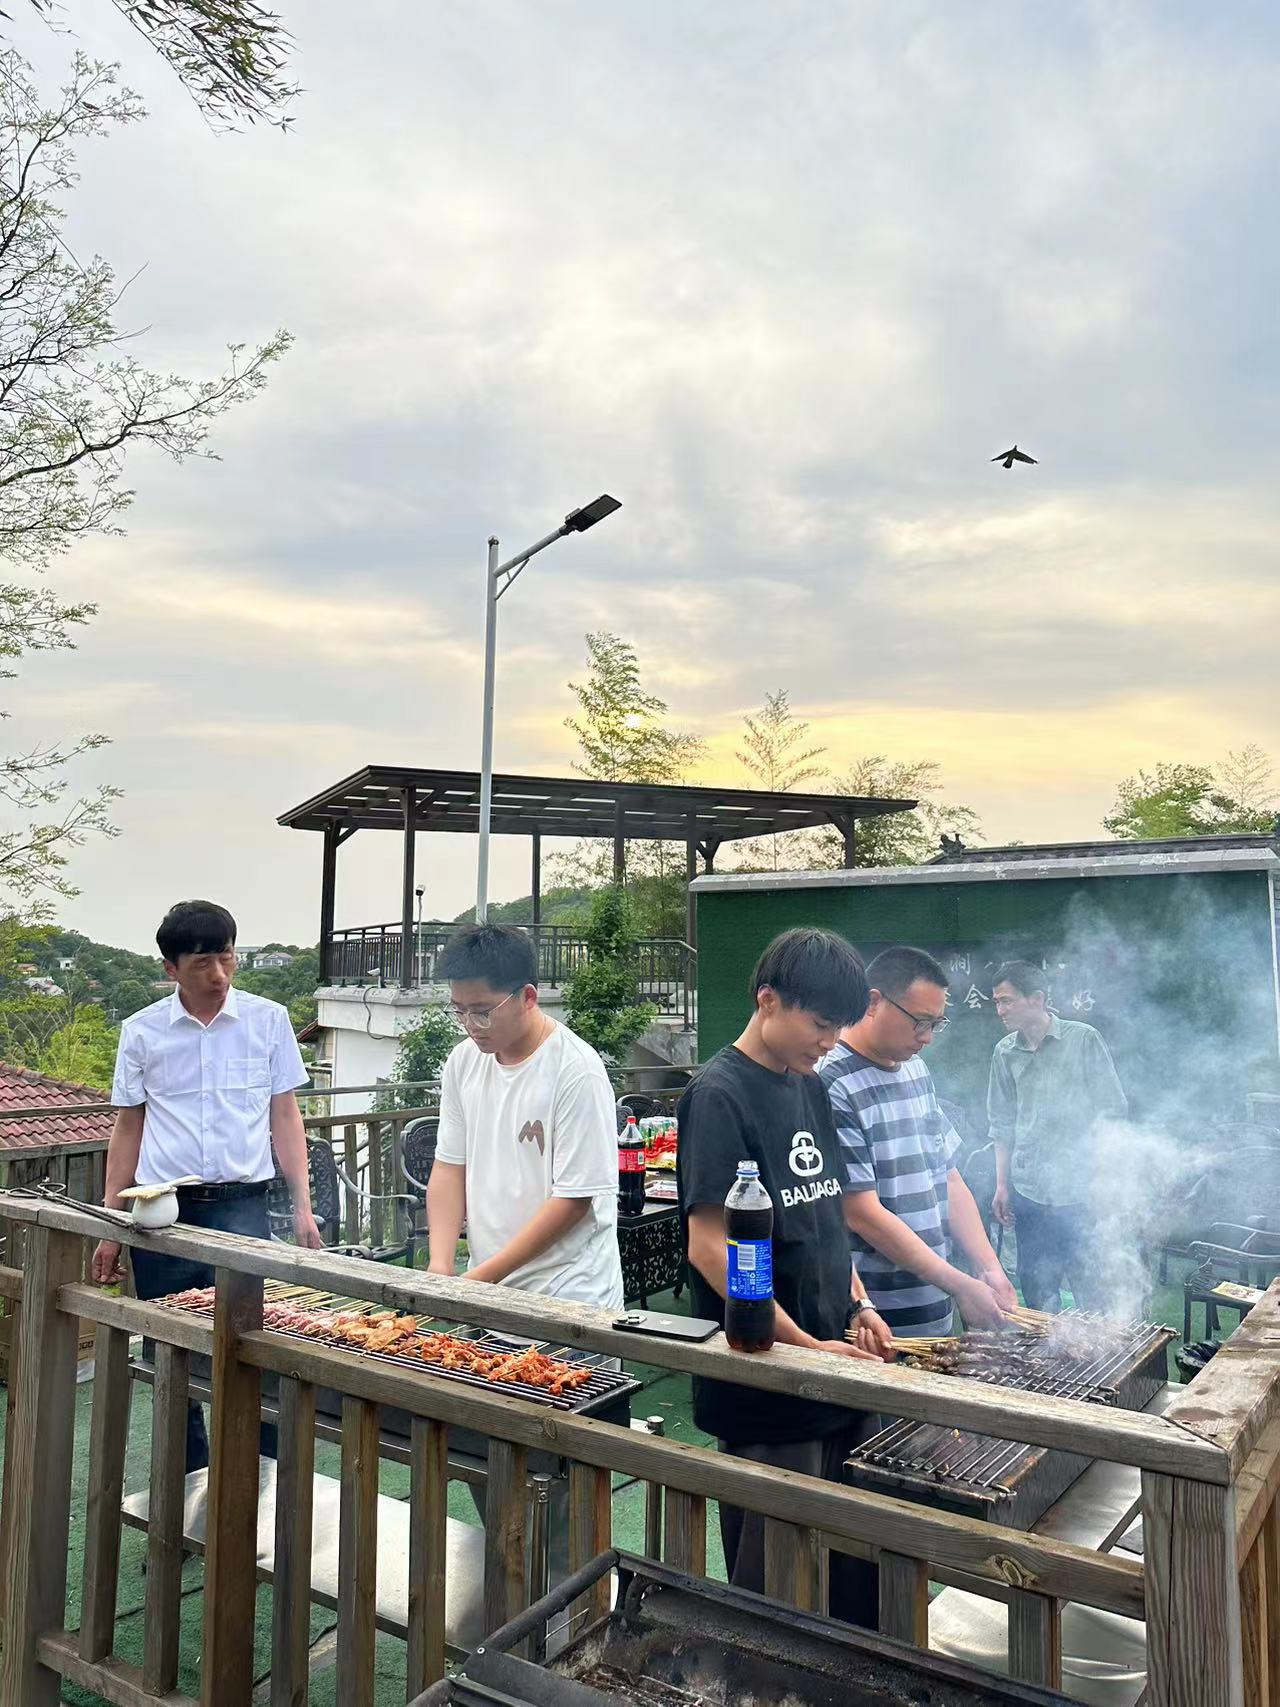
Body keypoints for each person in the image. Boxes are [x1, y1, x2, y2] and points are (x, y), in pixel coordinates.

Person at [677, 927, 890, 1628]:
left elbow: (826, 1217)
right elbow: (711, 1247)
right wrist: (801, 1346)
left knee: (855, 1582)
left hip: (836, 1369)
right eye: (820, 1023)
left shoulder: (811, 1086)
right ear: (768, 999)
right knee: (777, 1597)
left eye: (838, 1026)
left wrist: (858, 1306)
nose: (829, 1041)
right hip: (768, 1385)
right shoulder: (717, 1094)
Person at [90, 900, 322, 1473]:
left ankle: (263, 1485)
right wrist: (112, 1226)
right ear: (171, 969)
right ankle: (185, 1488)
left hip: (245, 1207)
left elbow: (285, 1115)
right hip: (162, 1214)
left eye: (227, 958)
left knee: (260, 1347)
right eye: (202, 964)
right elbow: (128, 1128)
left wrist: (303, 1205)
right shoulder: (141, 1031)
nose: (219, 975)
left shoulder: (268, 1020)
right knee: (171, 1354)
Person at [820, 946, 1016, 1337]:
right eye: (920, 1023)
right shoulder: (832, 1083)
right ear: (873, 1002)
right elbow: (860, 1212)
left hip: (935, 1306)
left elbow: (948, 1177)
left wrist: (988, 1268)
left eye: (936, 1024)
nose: (926, 1038)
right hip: (872, 1322)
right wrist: (959, 1284)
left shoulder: (916, 1070)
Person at [426, 922, 623, 1309]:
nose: (470, 1025)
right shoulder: (462, 1062)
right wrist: (440, 1265)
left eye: (482, 1012)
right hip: (489, 1291)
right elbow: (449, 1167)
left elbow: (573, 1201)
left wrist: (478, 1281)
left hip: (569, 1297)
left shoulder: (576, 1070)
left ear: (528, 997)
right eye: (459, 1011)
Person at [987, 960, 1128, 1312]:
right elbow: (1002, 1123)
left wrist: (1106, 1179)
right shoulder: (1004, 1052)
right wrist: (1002, 1185)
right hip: (1029, 1189)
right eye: (997, 1003)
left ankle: (1098, 1344)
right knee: (1037, 1286)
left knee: (1091, 1287)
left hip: (1082, 1190)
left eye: (1007, 1001)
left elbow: (1112, 1111)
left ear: (1037, 998)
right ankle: (1046, 1346)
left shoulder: (1084, 1039)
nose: (1000, 1011)